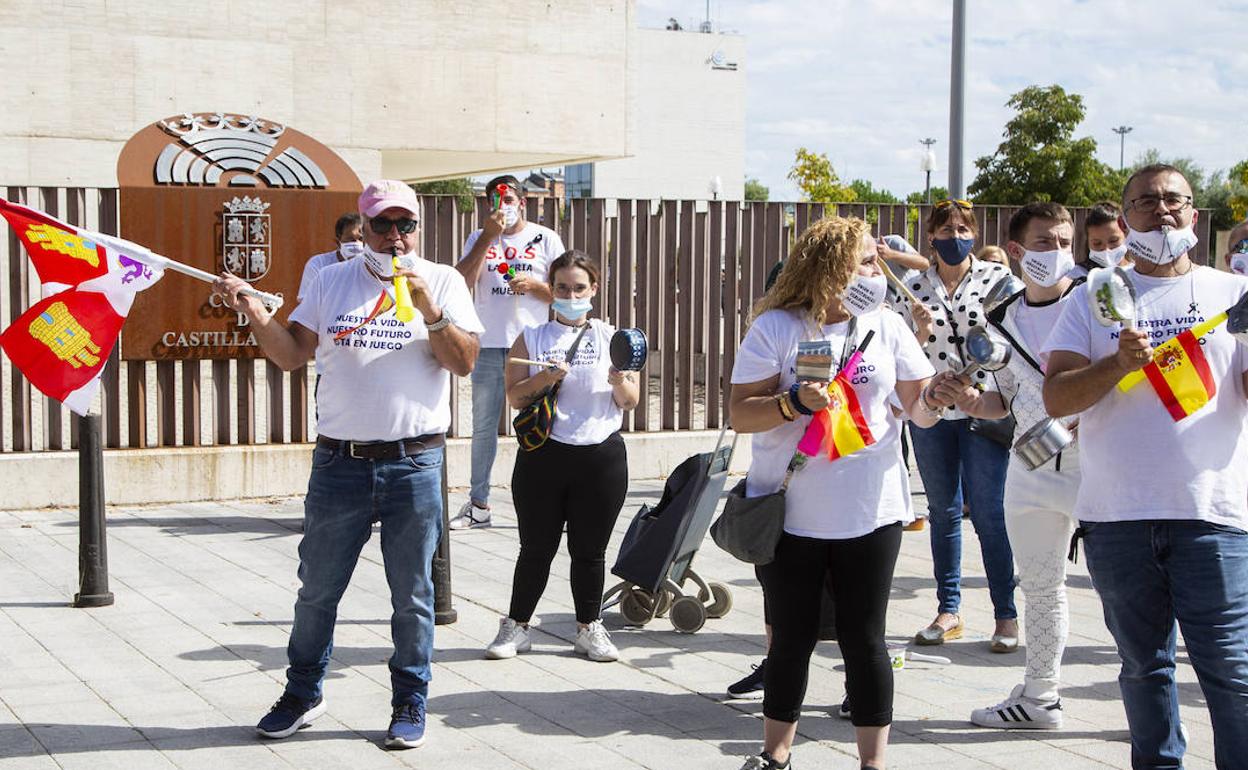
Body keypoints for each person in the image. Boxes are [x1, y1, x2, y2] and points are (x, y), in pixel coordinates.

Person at [214, 179, 483, 750]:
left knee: (412, 594)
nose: (394, 236)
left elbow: (463, 363)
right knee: (317, 590)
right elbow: (291, 353)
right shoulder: (330, 280)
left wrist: (430, 308)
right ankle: (303, 691)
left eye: (404, 225)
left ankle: (410, 698)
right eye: (382, 225)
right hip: (340, 464)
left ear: (417, 228)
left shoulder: (443, 280)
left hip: (414, 463)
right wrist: (258, 315)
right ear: (363, 227)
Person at [1043, 164, 1248, 768]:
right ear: (1124, 217)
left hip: (1211, 513)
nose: (1161, 212)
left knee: (1232, 674)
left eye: (1173, 201)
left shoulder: (1231, 292)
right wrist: (1114, 366)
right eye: (1145, 202)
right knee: (1143, 669)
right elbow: (1056, 397)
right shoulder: (1095, 294)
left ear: (1193, 212)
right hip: (1118, 517)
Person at [731, 216, 947, 770]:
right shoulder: (777, 328)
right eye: (867, 263)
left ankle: (872, 762)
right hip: (792, 513)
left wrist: (939, 398)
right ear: (829, 268)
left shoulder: (888, 325)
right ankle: (774, 754)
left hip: (872, 510)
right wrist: (792, 403)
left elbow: (917, 411)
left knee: (865, 638)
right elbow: (740, 413)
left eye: (876, 262)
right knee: (792, 638)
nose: (878, 273)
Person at [954, 202, 1082, 729]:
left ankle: (1150, 699)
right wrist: (967, 400)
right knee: (1040, 585)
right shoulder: (1001, 316)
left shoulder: (1093, 302)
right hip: (1029, 463)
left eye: (1064, 243)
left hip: (1096, 463)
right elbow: (1001, 400)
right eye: (1045, 242)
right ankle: (1040, 696)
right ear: (1016, 250)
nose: (1056, 253)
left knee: (1130, 591)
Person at [484, 250, 640, 663]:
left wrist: (619, 380)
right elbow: (516, 398)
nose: (571, 294)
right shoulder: (531, 336)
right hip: (544, 456)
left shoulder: (614, 338)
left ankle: (589, 627)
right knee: (536, 546)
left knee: (590, 551)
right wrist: (546, 377)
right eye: (562, 288)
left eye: (579, 288)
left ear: (594, 290)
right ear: (550, 291)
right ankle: (516, 626)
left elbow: (630, 401)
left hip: (601, 457)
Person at [889, 199, 1019, 652]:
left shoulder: (996, 279)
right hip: (932, 410)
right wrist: (920, 334)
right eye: (945, 230)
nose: (954, 236)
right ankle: (949, 609)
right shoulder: (913, 286)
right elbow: (901, 348)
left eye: (962, 229)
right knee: (943, 512)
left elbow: (1015, 338)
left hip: (982, 410)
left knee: (989, 513)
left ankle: (1006, 614)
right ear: (931, 236)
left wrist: (978, 388)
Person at [451, 175, 564, 529]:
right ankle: (479, 503)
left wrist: (535, 286)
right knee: (484, 427)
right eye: (497, 200)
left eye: (510, 199)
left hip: (532, 346)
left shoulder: (546, 238)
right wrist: (487, 236)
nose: (504, 207)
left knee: (542, 424)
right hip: (489, 344)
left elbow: (564, 295)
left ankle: (548, 505)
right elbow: (460, 283)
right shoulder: (479, 237)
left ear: (523, 203)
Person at [297, 212, 363, 301]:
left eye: (361, 239)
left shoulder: (372, 266)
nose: (357, 243)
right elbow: (306, 302)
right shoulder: (318, 264)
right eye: (350, 239)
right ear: (338, 242)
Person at [1071, 201, 1132, 279]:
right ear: (1088, 243)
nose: (1106, 249)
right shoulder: (1076, 276)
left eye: (1113, 241)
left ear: (1125, 236)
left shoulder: (1140, 274)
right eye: (1097, 243)